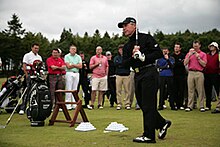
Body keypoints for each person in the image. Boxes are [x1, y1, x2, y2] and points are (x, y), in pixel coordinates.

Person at [118, 17, 171, 143]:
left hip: (149, 72)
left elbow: (158, 53)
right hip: (137, 75)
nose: (124, 29)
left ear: (134, 25)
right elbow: (124, 64)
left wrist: (143, 57)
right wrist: (133, 57)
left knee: (148, 104)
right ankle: (162, 123)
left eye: (126, 26)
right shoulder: (127, 46)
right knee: (143, 104)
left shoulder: (146, 38)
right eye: (123, 27)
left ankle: (149, 135)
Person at [19, 43, 42, 115]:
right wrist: (26, 75)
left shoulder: (39, 57)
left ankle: (34, 106)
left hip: (37, 75)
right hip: (29, 74)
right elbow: (24, 65)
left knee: (36, 91)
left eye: (37, 48)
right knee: (27, 91)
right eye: (35, 48)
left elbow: (40, 67)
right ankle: (22, 108)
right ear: (32, 48)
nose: (36, 50)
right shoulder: (27, 55)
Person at [184, 40, 207, 112]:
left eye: (196, 46)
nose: (195, 47)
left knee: (200, 90)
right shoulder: (189, 53)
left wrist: (198, 57)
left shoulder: (203, 54)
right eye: (194, 46)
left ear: (199, 46)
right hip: (190, 72)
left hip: (199, 73)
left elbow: (204, 64)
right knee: (190, 90)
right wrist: (189, 55)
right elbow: (185, 63)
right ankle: (190, 106)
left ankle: (201, 106)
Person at [64, 45, 82, 110]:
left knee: (75, 89)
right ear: (69, 50)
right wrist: (76, 65)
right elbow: (68, 66)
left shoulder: (78, 57)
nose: (73, 50)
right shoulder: (67, 56)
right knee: (69, 88)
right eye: (72, 49)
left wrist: (73, 65)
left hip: (76, 73)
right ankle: (68, 104)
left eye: (74, 49)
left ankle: (74, 104)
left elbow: (80, 66)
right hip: (69, 73)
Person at [114, 45, 131, 110]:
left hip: (126, 75)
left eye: (122, 49)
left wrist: (122, 64)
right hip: (118, 75)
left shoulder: (127, 57)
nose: (121, 51)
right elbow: (116, 64)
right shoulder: (116, 57)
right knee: (118, 90)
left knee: (127, 90)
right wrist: (123, 64)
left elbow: (128, 64)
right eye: (120, 49)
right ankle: (119, 103)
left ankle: (127, 103)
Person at [204, 42, 219, 110]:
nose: (211, 47)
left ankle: (218, 105)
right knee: (208, 90)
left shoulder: (218, 55)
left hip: (216, 74)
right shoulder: (207, 55)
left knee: (217, 90)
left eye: (213, 46)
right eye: (210, 46)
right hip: (207, 74)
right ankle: (208, 105)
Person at [172, 43, 187, 110]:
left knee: (181, 90)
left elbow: (183, 64)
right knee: (175, 90)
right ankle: (176, 104)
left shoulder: (183, 55)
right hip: (174, 75)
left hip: (181, 75)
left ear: (180, 48)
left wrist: (178, 63)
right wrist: (179, 63)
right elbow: (172, 65)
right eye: (175, 47)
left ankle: (181, 104)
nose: (176, 48)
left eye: (177, 47)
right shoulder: (172, 56)